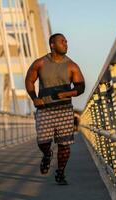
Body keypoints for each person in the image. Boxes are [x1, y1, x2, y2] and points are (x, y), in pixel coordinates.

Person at [25, 33, 85, 185]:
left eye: (66, 41)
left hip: (64, 110)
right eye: (62, 41)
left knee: (64, 145)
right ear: (52, 44)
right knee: (43, 141)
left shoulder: (72, 65)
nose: (66, 44)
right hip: (44, 110)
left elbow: (81, 86)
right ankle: (47, 154)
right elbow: (29, 80)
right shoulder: (40, 63)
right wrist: (34, 98)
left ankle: (60, 173)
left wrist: (67, 93)